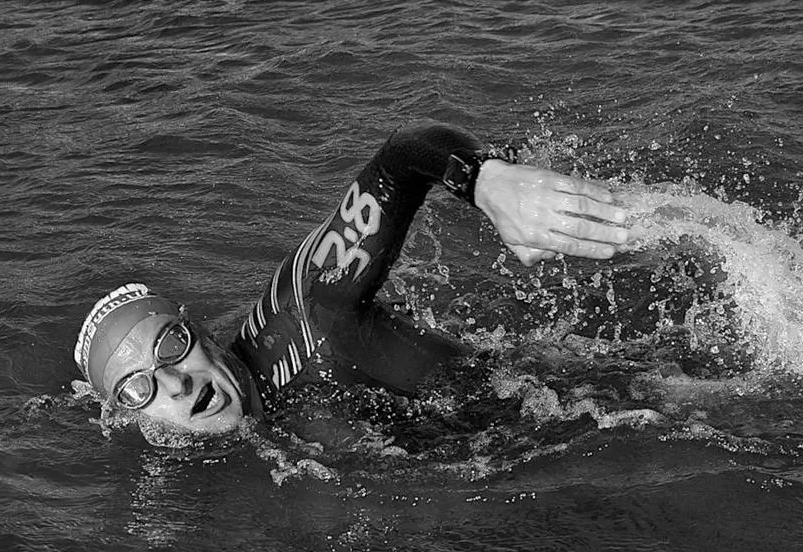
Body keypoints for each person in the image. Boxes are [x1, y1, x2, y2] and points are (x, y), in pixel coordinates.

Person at [73, 121, 633, 445]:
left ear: (200, 330)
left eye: (171, 345)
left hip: (608, 409)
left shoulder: (302, 314)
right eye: (136, 389)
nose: (175, 385)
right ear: (126, 418)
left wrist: (484, 181)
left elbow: (401, 156)